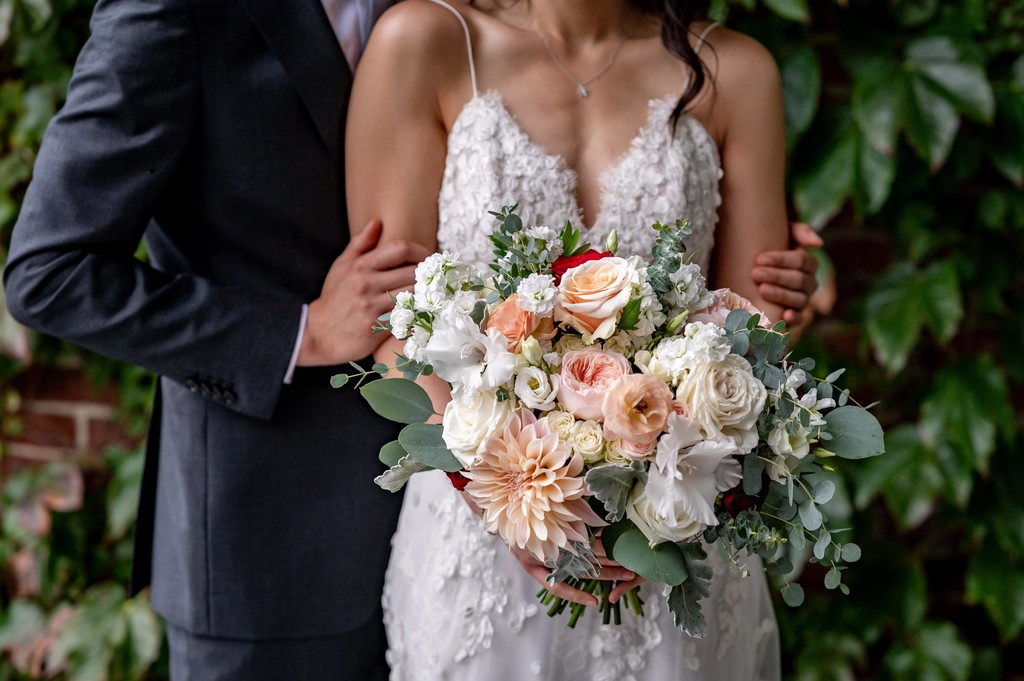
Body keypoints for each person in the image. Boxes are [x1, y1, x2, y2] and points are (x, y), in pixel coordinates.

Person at [3, 0, 817, 678]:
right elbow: (50, 271)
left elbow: (745, 308)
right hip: (299, 533)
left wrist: (762, 315)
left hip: (645, 531)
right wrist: (305, 332)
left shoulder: (727, 71)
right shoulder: (411, 36)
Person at [346, 0, 793, 678]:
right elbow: (392, 325)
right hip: (478, 540)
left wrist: (649, 503)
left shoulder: (736, 70)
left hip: (672, 526)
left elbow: (752, 330)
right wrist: (509, 500)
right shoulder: (426, 42)